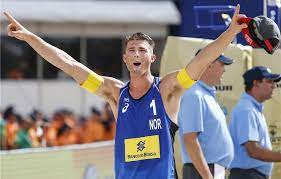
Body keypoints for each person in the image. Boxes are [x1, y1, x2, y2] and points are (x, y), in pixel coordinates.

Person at [3, 5, 246, 178]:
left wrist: (230, 32)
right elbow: (69, 64)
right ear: (125, 58)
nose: (136, 54)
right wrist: (30, 38)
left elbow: (202, 60)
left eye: (142, 50)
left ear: (152, 57)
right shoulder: (115, 93)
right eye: (131, 50)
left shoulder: (167, 89)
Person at [178, 50, 234, 179]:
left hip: (212, 169)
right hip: (203, 171)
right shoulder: (194, 94)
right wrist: (208, 176)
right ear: (208, 64)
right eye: (222, 64)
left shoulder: (204, 94)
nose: (224, 70)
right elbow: (190, 139)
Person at [228, 66, 281, 179]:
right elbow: (253, 151)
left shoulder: (251, 108)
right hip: (247, 175)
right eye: (269, 81)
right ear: (256, 83)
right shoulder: (247, 110)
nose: (273, 86)